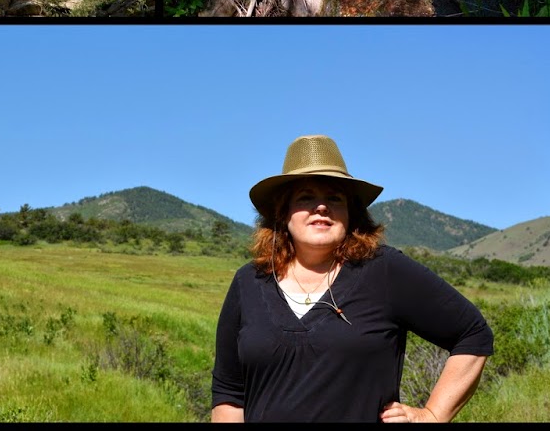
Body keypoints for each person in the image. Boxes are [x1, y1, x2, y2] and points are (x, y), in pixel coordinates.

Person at [211, 135, 492, 422]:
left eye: (334, 198)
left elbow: (472, 333)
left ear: (351, 213)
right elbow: (229, 393)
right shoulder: (249, 281)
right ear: (283, 213)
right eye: (306, 197)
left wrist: (432, 415)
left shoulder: (384, 270)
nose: (321, 207)